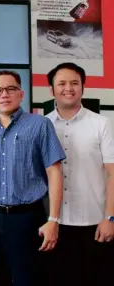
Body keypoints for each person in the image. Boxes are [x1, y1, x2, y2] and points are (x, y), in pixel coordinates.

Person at [0, 70, 65, 286]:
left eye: (10, 89)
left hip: (27, 219)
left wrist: (53, 220)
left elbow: (54, 171)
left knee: (28, 279)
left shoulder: (40, 125)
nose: (4, 94)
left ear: (21, 94)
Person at [45, 62, 114, 286]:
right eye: (62, 83)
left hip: (94, 222)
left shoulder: (101, 124)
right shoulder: (42, 125)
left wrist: (110, 218)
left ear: (83, 87)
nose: (68, 88)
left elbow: (113, 174)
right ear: (52, 89)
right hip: (53, 223)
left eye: (75, 83)